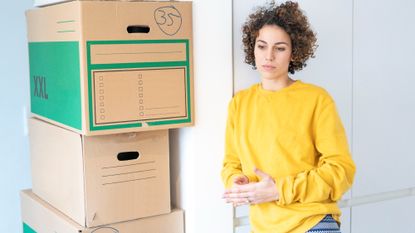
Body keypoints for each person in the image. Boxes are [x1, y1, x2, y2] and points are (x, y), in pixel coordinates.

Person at [221, 1, 356, 233]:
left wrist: (279, 189)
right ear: (252, 48)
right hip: (263, 227)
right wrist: (236, 182)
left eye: (280, 48)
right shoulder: (239, 104)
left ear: (294, 52)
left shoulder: (316, 99)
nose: (269, 56)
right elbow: (231, 164)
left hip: (311, 222)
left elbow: (341, 169)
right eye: (261, 46)